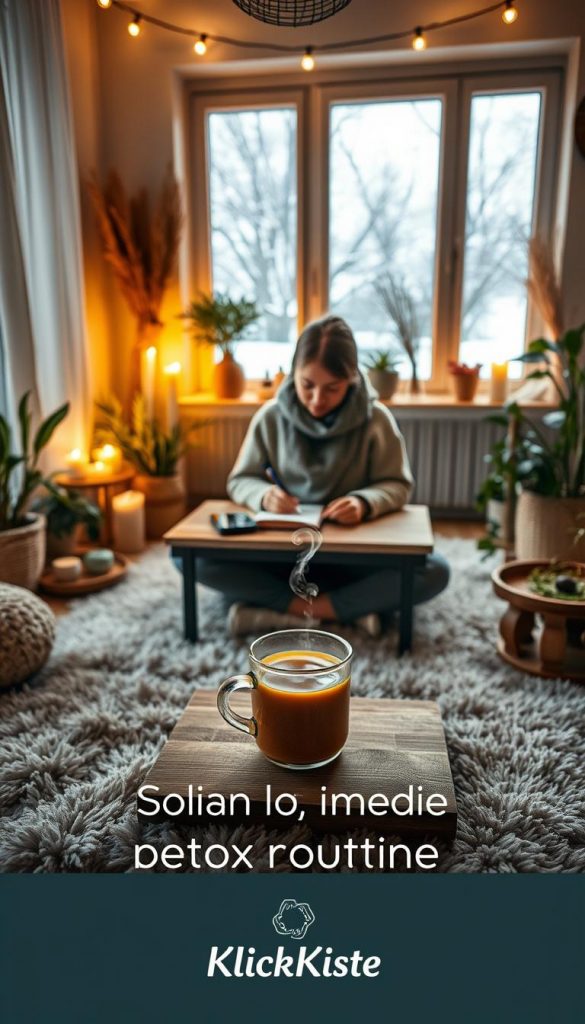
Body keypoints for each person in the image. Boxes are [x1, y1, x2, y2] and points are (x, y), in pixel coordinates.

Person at [199, 314, 450, 636]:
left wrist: (363, 502)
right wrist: (263, 495)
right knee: (191, 557)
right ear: (293, 374)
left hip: (354, 556)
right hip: (282, 552)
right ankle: (344, 611)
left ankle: (280, 611)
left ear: (352, 380)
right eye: (307, 385)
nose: (318, 400)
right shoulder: (270, 417)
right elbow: (240, 480)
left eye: (332, 388)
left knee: (434, 570)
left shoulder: (377, 420)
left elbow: (398, 485)